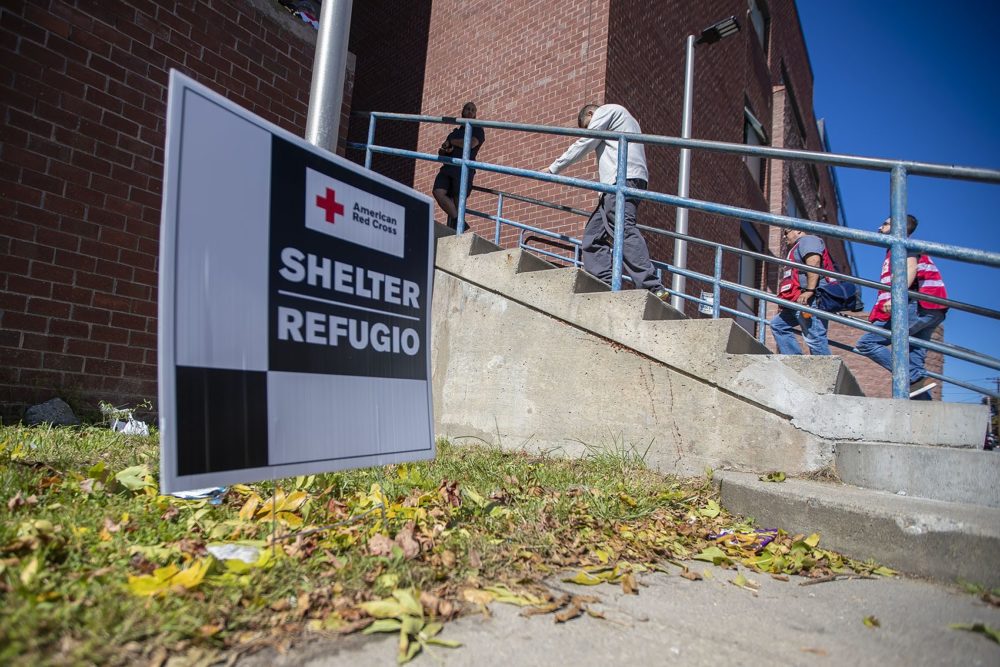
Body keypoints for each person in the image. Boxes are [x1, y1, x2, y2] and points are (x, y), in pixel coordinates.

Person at [544, 103, 667, 296]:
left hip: (621, 181)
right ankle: (604, 285)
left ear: (591, 113)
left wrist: (553, 168)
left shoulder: (607, 111)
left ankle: (651, 286)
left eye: (588, 125)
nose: (589, 129)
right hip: (617, 185)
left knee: (623, 229)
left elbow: (586, 141)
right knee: (593, 238)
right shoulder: (628, 121)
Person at [853, 215, 948, 399]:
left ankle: (912, 378)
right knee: (915, 368)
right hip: (933, 309)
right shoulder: (897, 248)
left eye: (885, 223)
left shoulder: (902, 244)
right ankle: (923, 406)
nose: (879, 227)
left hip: (920, 305)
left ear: (899, 227)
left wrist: (897, 297)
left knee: (868, 343)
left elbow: (910, 268)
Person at [770, 227, 832, 355]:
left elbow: (814, 262)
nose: (784, 237)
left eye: (786, 232)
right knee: (778, 325)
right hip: (797, 299)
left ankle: (823, 373)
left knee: (814, 337)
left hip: (810, 298)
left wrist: (810, 290)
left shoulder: (808, 240)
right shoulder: (796, 247)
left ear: (798, 230)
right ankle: (796, 363)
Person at [433, 102, 485, 230]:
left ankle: (458, 227)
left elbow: (471, 144)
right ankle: (459, 222)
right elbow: (442, 150)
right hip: (448, 168)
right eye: (467, 109)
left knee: (458, 199)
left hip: (463, 170)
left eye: (473, 110)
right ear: (462, 111)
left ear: (475, 115)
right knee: (438, 192)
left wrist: (452, 142)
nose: (470, 111)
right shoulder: (454, 133)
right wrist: (446, 149)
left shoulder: (477, 129)